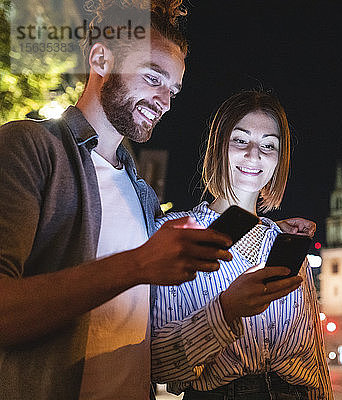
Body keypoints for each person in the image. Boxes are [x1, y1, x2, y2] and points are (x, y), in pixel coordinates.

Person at [0, 2, 235, 399]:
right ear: (100, 59)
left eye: (173, 90)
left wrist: (229, 309)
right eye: (152, 78)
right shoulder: (29, 146)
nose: (166, 101)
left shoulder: (141, 194)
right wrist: (139, 264)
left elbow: (137, 343)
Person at [152, 90, 333, 400]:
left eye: (269, 145)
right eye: (240, 140)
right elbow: (161, 364)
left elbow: (313, 355)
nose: (254, 155)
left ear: (280, 158)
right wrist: (225, 311)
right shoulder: (174, 233)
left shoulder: (287, 243)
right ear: (218, 146)